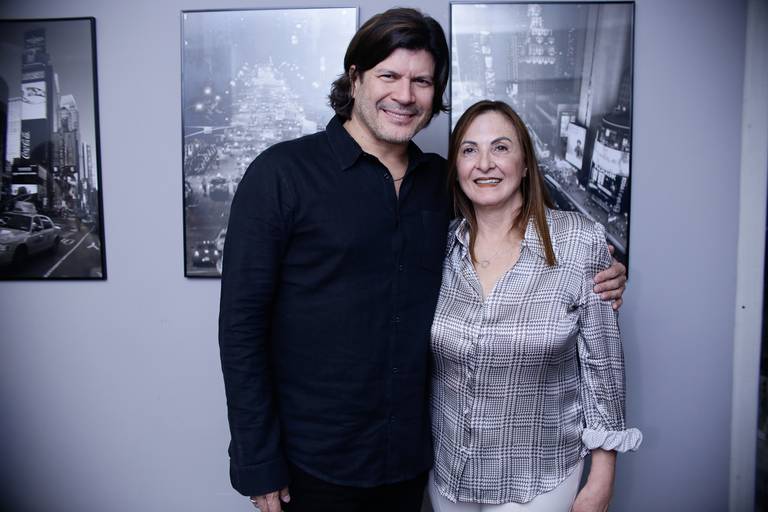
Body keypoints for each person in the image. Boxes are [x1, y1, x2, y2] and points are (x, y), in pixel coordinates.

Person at [218, 9, 627, 512]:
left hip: (414, 464)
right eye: (389, 75)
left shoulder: (443, 184)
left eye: (422, 81)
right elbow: (241, 328)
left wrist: (604, 272)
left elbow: (521, 230)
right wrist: (259, 461)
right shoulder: (280, 176)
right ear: (355, 79)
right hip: (312, 465)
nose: (405, 95)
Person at [428, 100, 641, 512]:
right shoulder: (439, 248)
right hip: (449, 473)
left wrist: (602, 477)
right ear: (456, 167)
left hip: (538, 477)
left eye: (500, 147)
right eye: (470, 150)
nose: (484, 163)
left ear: (525, 164)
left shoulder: (578, 242)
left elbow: (603, 368)